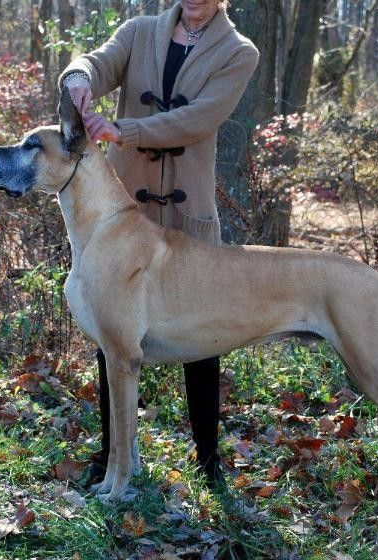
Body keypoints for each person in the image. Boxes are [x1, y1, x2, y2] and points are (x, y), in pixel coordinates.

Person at [59, 0, 258, 486]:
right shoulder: (139, 31)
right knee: (113, 336)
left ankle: (208, 461)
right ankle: (113, 453)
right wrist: (78, 78)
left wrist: (124, 130)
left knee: (204, 340)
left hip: (188, 217)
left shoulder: (238, 51)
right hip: (125, 212)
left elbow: (198, 119)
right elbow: (95, 63)